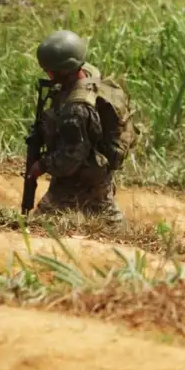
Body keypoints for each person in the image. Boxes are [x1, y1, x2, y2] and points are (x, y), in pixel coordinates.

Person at [26, 30, 135, 224]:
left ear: (63, 70)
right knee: (104, 211)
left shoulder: (76, 110)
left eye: (50, 70)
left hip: (81, 177)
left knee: (41, 223)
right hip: (98, 170)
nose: (47, 74)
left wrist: (41, 165)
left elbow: (71, 156)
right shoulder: (88, 74)